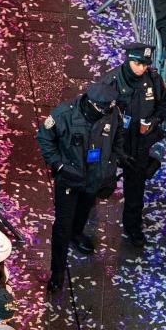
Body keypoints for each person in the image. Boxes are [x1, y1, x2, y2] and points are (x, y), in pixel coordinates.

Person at [36, 82, 121, 294]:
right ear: (92, 103)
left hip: (94, 177)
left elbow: (118, 137)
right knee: (62, 225)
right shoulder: (64, 113)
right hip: (69, 178)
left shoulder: (111, 113)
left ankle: (78, 233)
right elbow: (45, 138)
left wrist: (111, 164)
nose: (107, 111)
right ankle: (57, 273)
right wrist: (59, 165)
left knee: (84, 210)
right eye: (103, 108)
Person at [96, 43, 166, 248]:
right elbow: (96, 109)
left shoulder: (153, 80)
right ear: (128, 60)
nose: (142, 68)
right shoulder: (111, 80)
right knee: (98, 177)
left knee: (136, 186)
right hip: (113, 141)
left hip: (139, 142)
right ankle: (85, 213)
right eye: (138, 63)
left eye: (145, 64)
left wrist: (153, 121)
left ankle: (133, 227)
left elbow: (165, 104)